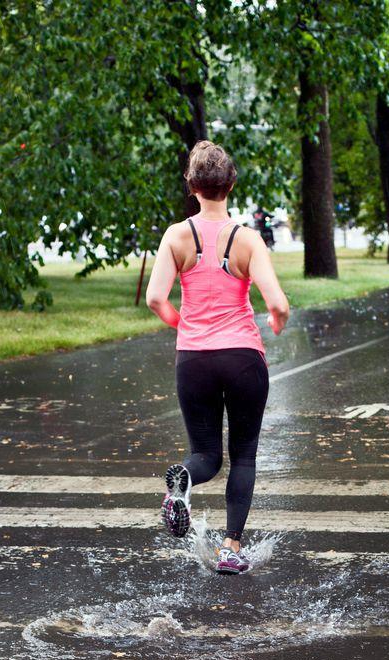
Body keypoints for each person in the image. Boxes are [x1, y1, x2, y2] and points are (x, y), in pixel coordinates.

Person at [146, 141, 290, 574]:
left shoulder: (176, 236)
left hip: (194, 359)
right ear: (231, 185)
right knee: (243, 456)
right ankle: (230, 549)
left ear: (192, 186)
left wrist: (183, 325)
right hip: (243, 357)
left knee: (205, 456)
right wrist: (278, 323)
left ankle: (183, 484)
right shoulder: (247, 239)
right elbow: (278, 304)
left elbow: (156, 298)